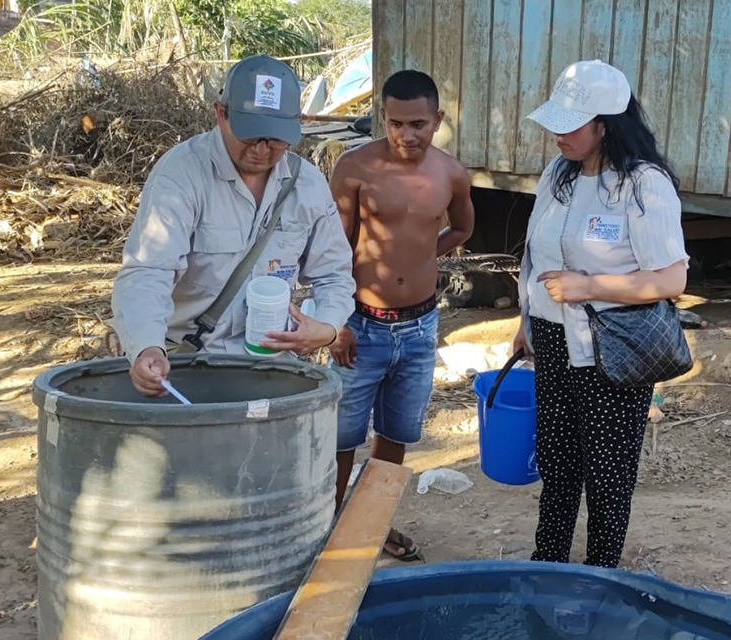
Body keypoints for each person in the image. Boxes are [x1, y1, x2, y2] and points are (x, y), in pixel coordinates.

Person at [512, 60, 688, 568]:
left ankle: (601, 573)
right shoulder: (558, 174)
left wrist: (590, 286)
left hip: (612, 348)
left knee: (608, 472)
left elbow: (671, 279)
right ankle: (548, 562)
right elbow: (534, 256)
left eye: (570, 124)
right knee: (558, 462)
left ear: (605, 126)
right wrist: (524, 322)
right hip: (549, 338)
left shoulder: (643, 185)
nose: (556, 133)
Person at [111, 54, 355, 395]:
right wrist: (147, 346)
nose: (262, 150)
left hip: (275, 369)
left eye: (275, 138)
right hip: (189, 366)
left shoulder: (308, 184)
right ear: (221, 114)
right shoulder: (181, 174)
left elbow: (334, 273)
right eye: (250, 135)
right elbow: (148, 270)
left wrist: (326, 327)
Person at [327, 70, 475, 560]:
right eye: (394, 124)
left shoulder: (451, 173)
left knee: (394, 436)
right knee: (341, 438)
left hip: (419, 327)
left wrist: (423, 257)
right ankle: (327, 533)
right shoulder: (354, 168)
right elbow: (334, 251)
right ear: (382, 120)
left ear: (438, 120)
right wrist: (338, 322)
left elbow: (461, 229)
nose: (406, 135)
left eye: (418, 124)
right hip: (361, 325)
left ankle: (372, 527)